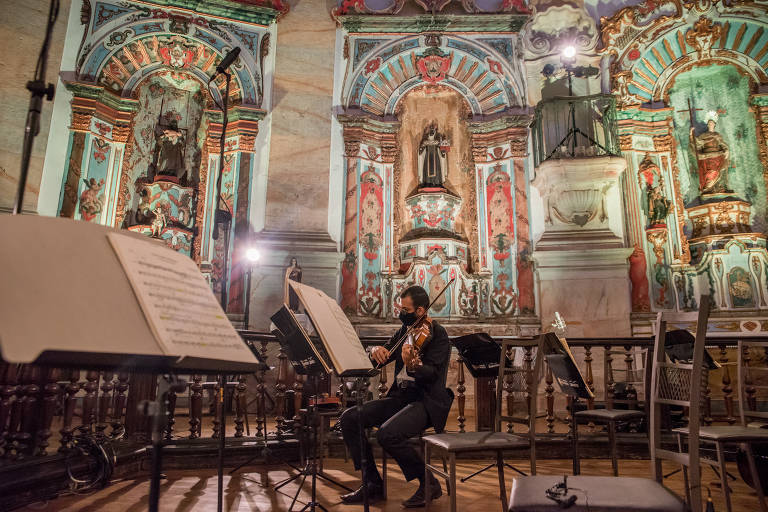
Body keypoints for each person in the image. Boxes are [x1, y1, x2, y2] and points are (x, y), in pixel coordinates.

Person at [339, 285, 453, 508]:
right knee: (349, 418)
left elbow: (433, 375)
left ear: (420, 311)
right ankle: (372, 482)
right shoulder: (405, 330)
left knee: (388, 434)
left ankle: (429, 483)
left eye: (405, 309)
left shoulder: (438, 334)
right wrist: (374, 351)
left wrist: (414, 365)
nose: (401, 313)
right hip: (401, 398)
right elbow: (381, 357)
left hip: (426, 401)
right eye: (400, 308)